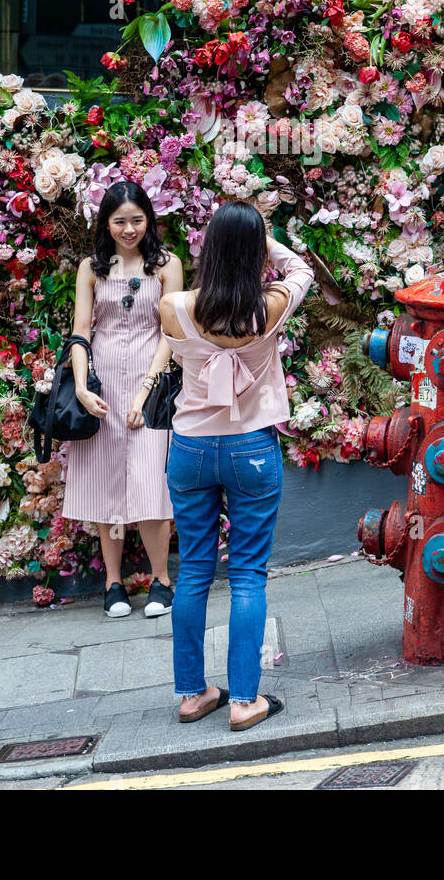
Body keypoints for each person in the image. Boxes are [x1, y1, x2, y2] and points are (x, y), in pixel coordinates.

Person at [159, 202, 314, 731]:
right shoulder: (267, 307)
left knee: (196, 570)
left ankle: (192, 693)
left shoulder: (174, 306)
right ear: (252, 253)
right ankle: (245, 700)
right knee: (247, 573)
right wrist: (266, 240)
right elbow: (303, 271)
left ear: (207, 247)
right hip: (250, 447)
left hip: (191, 449)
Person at [65, 180, 183, 618]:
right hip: (104, 384)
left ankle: (162, 580)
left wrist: (148, 389)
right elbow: (80, 331)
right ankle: (113, 584)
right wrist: (81, 386)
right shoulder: (91, 268)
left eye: (137, 220)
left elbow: (172, 331)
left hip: (151, 382)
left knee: (152, 480)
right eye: (120, 221)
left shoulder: (166, 265)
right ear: (106, 223)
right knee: (106, 480)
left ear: (149, 219)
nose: (129, 229)